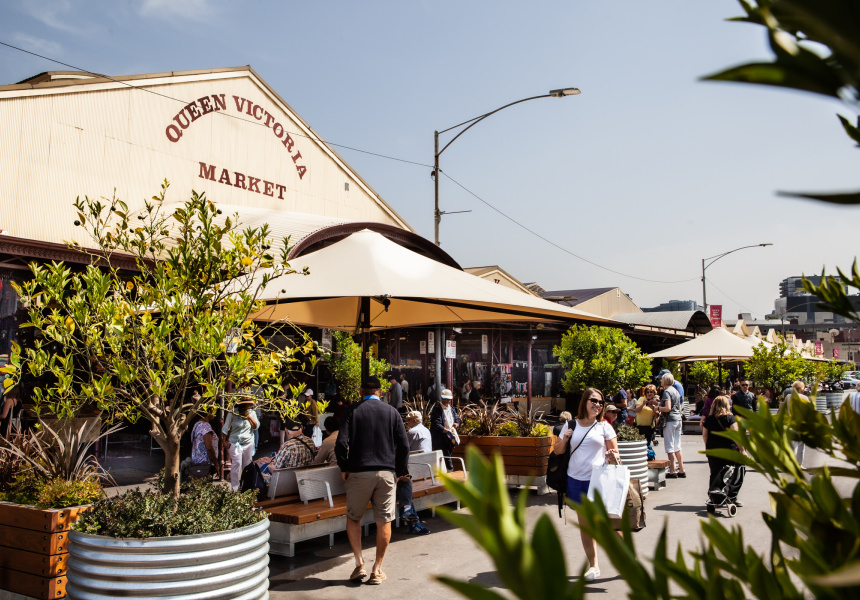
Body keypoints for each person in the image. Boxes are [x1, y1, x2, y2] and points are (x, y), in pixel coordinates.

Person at [335, 375, 410, 584]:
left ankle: (359, 564)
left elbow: (341, 443)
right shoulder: (392, 412)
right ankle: (377, 569)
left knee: (354, 518)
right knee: (384, 520)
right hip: (386, 473)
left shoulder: (352, 411)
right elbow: (404, 445)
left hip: (359, 472)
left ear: (361, 391)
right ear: (380, 392)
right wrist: (401, 470)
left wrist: (344, 466)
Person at [552, 388, 619, 583]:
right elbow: (557, 450)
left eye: (600, 402)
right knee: (586, 526)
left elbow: (616, 453)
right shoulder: (571, 425)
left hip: (598, 482)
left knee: (611, 525)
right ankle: (593, 566)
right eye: (593, 401)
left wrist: (611, 455)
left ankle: (629, 559)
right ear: (584, 401)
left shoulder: (604, 427)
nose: (597, 405)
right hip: (575, 481)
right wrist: (565, 438)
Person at [702, 395, 744, 507]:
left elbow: (705, 435)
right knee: (732, 472)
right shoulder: (730, 419)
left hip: (712, 450)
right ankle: (731, 496)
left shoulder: (709, 419)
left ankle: (714, 494)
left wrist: (708, 447)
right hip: (728, 450)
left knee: (715, 473)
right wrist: (742, 450)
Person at [400, 410, 432, 535]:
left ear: (413, 421)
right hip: (425, 468)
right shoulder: (426, 430)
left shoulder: (412, 432)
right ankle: (411, 517)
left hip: (416, 467)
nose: (407, 423)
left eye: (408, 421)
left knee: (404, 480)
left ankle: (410, 514)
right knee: (405, 481)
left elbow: (402, 449)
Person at [222, 401, 259, 491]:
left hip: (248, 443)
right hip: (235, 442)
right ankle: (235, 488)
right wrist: (224, 441)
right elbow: (225, 428)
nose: (250, 406)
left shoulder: (252, 413)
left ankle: (246, 487)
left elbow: (256, 427)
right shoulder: (233, 413)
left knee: (247, 466)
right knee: (237, 463)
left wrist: (249, 417)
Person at [659, 372, 685, 478]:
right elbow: (679, 407)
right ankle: (681, 469)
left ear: (665, 381)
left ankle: (672, 470)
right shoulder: (676, 391)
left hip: (670, 420)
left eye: (662, 379)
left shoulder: (667, 391)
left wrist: (658, 408)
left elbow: (668, 408)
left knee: (669, 446)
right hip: (678, 419)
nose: (660, 381)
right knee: (677, 446)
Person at [430, 389, 459, 471]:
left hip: (449, 436)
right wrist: (444, 429)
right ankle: (450, 471)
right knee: (445, 456)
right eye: (444, 399)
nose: (447, 401)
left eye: (448, 399)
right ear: (441, 398)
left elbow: (456, 418)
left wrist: (456, 424)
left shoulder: (452, 408)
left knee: (448, 454)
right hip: (440, 437)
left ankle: (449, 471)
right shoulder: (437, 409)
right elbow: (436, 423)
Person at [784, 380, 809, 466]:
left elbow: (783, 409)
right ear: (801, 389)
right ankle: (799, 464)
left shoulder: (788, 396)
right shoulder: (805, 398)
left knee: (793, 445)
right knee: (801, 445)